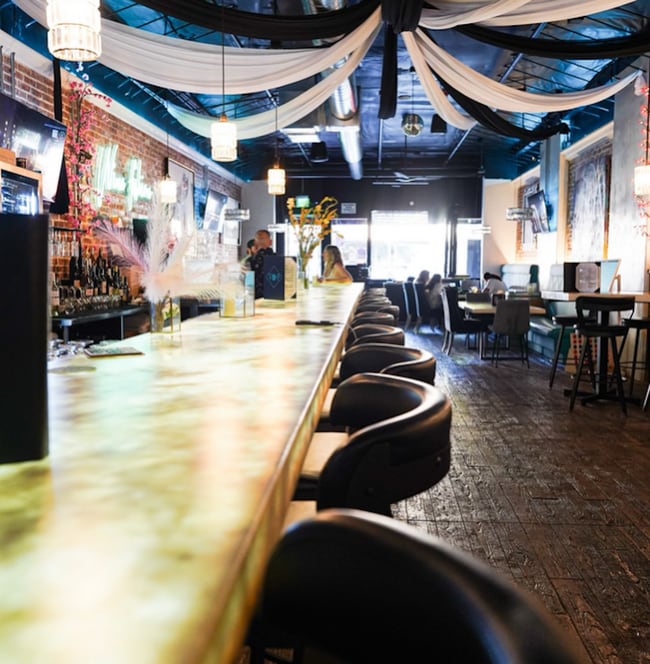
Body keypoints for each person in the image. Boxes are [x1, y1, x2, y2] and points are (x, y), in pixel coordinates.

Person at [249, 229, 275, 298]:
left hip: (258, 295)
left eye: (263, 239)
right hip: (271, 295)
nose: (261, 242)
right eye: (260, 239)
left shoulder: (251, 260)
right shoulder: (277, 259)